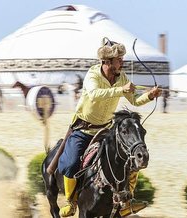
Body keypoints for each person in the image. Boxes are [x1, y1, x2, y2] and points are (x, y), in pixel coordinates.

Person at [57, 37, 161, 217]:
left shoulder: (122, 78)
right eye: (119, 59)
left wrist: (150, 96)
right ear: (107, 62)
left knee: (129, 159)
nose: (122, 62)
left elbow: (135, 100)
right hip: (83, 130)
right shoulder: (93, 75)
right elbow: (95, 94)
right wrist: (121, 90)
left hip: (106, 131)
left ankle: (127, 201)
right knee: (72, 163)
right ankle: (71, 202)